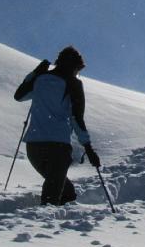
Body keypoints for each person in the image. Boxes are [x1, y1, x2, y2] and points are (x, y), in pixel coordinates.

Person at [13, 46, 100, 206]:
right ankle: (42, 224)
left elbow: (19, 96)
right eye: (78, 70)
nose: (77, 73)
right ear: (75, 67)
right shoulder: (73, 84)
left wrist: (35, 73)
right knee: (53, 198)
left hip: (34, 147)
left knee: (66, 192)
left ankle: (52, 223)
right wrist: (89, 149)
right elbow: (77, 118)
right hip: (58, 147)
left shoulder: (40, 79)